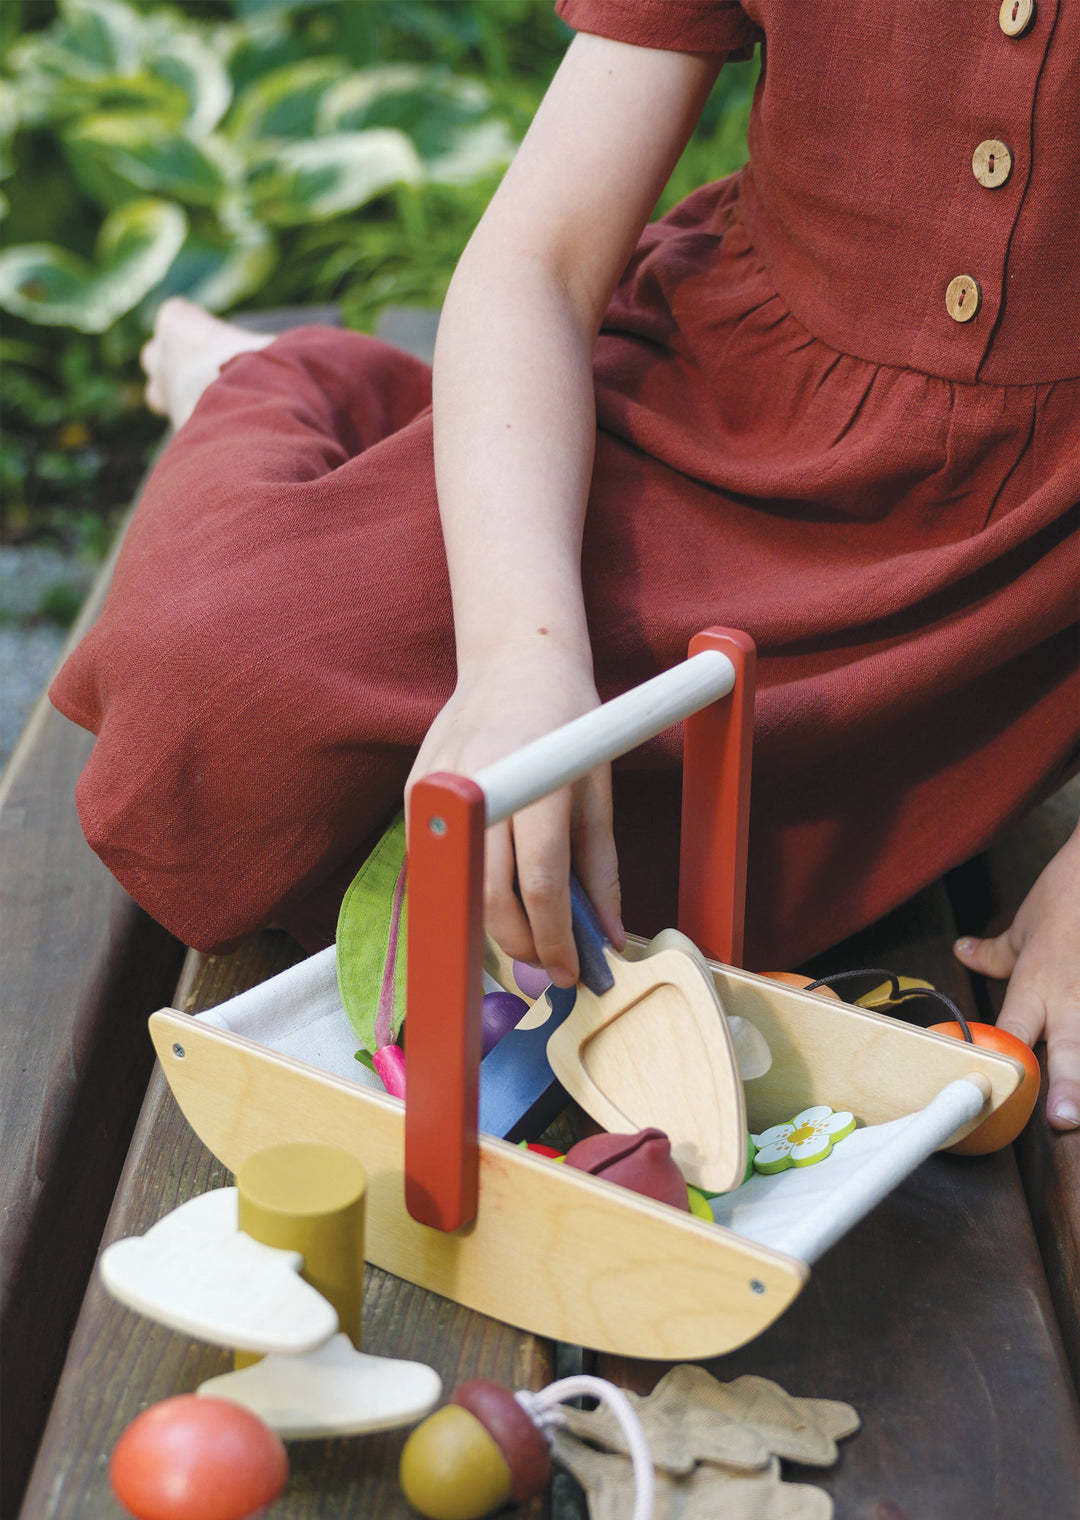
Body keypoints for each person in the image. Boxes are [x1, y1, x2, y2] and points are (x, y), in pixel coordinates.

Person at [50, 0, 1079, 1128]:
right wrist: (513, 661)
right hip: (700, 425)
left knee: (638, 900)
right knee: (211, 695)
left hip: (1015, 591)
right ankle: (285, 387)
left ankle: (414, 440)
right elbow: (538, 259)